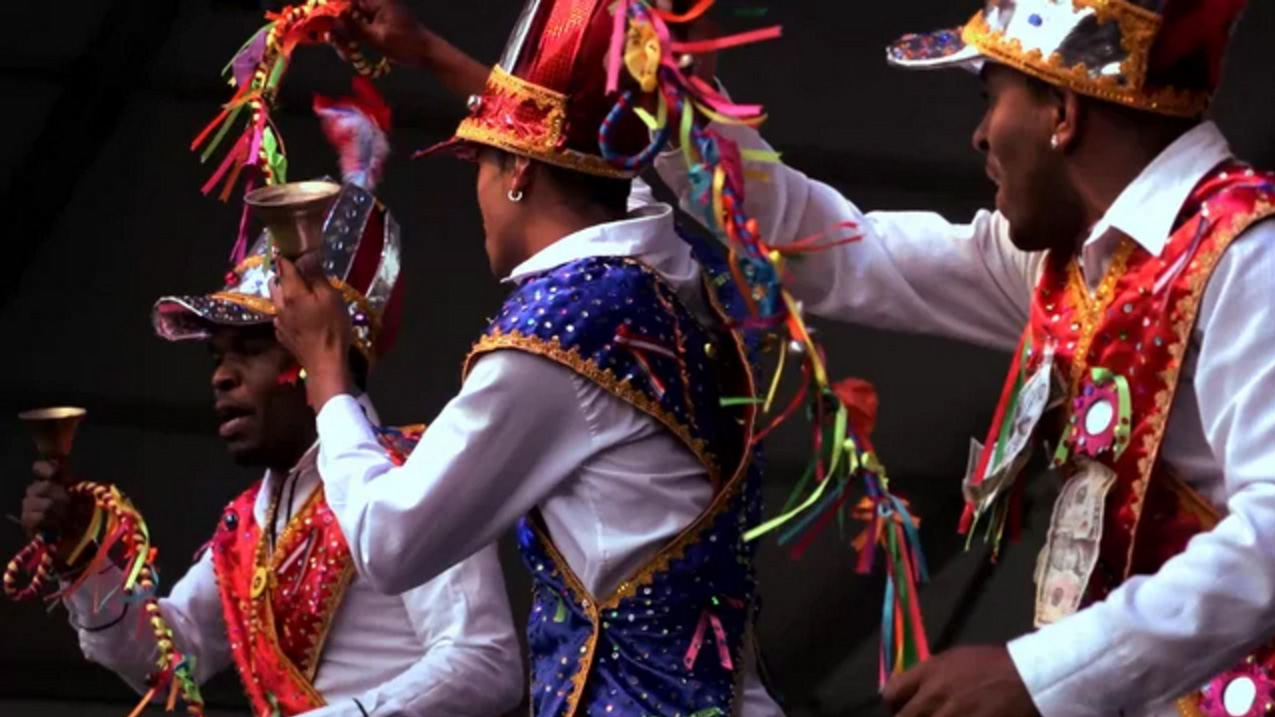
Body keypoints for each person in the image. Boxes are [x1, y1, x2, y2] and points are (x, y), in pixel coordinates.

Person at [646, 1, 1275, 717]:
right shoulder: (1059, 262)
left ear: (1061, 113)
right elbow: (830, 249)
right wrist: (679, 107)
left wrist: (1036, 675)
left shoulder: (1249, 256)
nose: (977, 136)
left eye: (988, 99)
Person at [271, 1, 786, 715]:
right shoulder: (676, 271)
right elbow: (604, 170)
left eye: (481, 160)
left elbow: (390, 542)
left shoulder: (558, 335)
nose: (475, 192)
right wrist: (428, 52)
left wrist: (328, 377)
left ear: (515, 170)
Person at [19, 97, 524, 717]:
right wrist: (87, 560)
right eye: (216, 360)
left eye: (249, 354)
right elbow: (170, 661)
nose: (222, 379)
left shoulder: (410, 475)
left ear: (311, 353)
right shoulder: (245, 527)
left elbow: (483, 663)